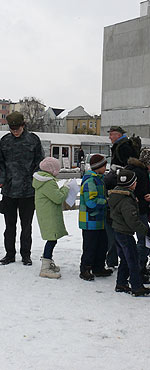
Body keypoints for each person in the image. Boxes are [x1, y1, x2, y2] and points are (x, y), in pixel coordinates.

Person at [0, 111, 44, 266]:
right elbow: (0, 164)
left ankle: (26, 255)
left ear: (23, 125)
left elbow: (40, 162)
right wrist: (2, 180)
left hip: (28, 191)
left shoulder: (33, 140)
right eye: (12, 128)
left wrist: (35, 178)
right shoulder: (4, 141)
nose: (15, 131)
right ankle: (9, 254)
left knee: (26, 226)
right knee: (9, 226)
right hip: (9, 190)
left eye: (17, 128)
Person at [108, 169, 150, 297]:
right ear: (131, 184)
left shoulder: (116, 195)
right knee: (133, 260)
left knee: (124, 259)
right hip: (125, 234)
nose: (136, 183)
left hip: (117, 231)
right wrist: (147, 231)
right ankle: (137, 286)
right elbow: (132, 221)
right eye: (135, 182)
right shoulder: (127, 200)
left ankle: (121, 283)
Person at [32, 157, 70, 279]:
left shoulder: (43, 181)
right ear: (52, 170)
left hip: (47, 214)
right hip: (50, 215)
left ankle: (48, 262)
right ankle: (45, 267)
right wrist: (66, 188)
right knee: (52, 239)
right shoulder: (48, 182)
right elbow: (58, 198)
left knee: (52, 239)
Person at [79, 154, 112, 281]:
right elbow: (91, 202)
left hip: (99, 220)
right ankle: (85, 268)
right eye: (104, 166)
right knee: (90, 246)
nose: (106, 168)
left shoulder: (99, 179)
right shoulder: (90, 181)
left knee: (102, 244)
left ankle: (98, 267)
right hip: (90, 221)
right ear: (98, 167)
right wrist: (106, 201)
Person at [126, 148, 150, 281]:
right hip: (140, 210)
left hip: (135, 209)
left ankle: (135, 267)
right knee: (144, 239)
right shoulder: (140, 172)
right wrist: (145, 197)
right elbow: (140, 189)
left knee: (135, 240)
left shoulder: (134, 169)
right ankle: (139, 268)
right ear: (148, 162)